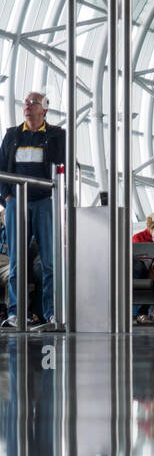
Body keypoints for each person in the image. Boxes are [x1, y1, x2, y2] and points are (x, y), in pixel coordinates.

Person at [0, 92, 65, 329]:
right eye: (25, 102)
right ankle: (16, 312)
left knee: (49, 260)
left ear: (45, 109)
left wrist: (59, 199)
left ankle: (51, 312)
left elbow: (63, 167)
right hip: (17, 201)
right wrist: (7, 197)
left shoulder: (56, 135)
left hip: (45, 202)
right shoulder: (12, 135)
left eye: (33, 102)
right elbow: (1, 167)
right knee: (17, 261)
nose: (27, 105)